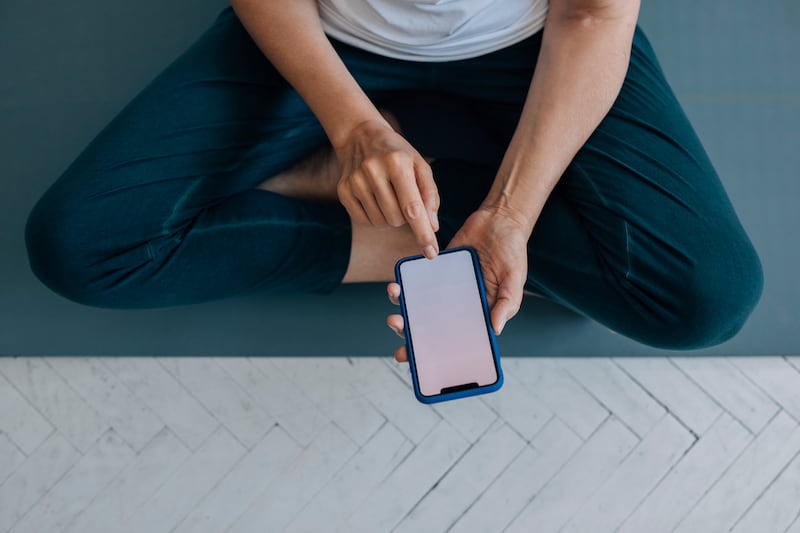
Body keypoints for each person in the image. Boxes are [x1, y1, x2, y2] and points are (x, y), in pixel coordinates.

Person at [25, 0, 763, 358]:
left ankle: (441, 203)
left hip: (539, 42)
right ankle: (423, 196)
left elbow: (594, 13)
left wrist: (510, 211)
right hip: (328, 35)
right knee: (83, 246)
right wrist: (354, 129)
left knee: (707, 296)